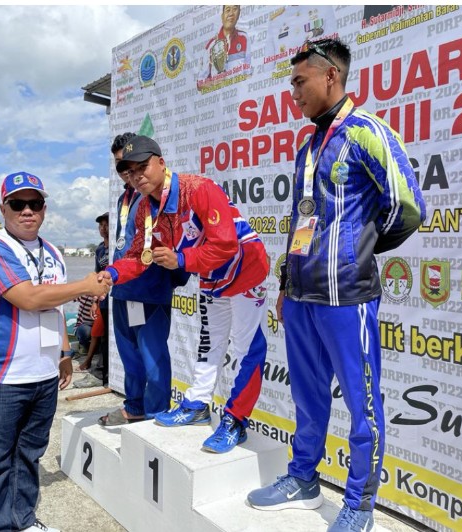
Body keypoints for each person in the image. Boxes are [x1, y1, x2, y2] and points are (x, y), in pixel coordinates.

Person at [246, 38, 426, 532]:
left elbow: (408, 208)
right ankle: (302, 478)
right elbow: (302, 219)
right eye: (290, 84)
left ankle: (358, 505)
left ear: (331, 76)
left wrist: (355, 254)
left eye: (300, 82)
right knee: (307, 398)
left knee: (363, 406)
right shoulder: (309, 145)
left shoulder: (368, 132)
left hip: (348, 299)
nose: (294, 93)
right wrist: (287, 283)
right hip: (303, 299)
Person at [98, 135, 270, 454]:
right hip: (211, 274)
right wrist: (111, 274)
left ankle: (235, 420)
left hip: (246, 269)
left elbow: (227, 244)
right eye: (129, 171)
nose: (137, 176)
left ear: (161, 163)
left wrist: (181, 260)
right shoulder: (144, 211)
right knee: (210, 343)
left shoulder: (200, 189)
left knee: (247, 347)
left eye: (143, 167)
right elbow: (139, 256)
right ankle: (196, 405)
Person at [0, 171, 109, 532]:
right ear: (4, 208)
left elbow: (55, 307)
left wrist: (64, 353)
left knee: (29, 455)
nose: (27, 211)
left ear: (44, 208)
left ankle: (23, 521)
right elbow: (28, 298)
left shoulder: (53, 253)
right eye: (18, 203)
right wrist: (86, 285)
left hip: (44, 375)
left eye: (35, 203)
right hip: (0, 378)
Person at [94, 132, 188, 426]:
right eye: (122, 167)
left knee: (153, 357)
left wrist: (176, 273)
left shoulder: (158, 194)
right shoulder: (125, 197)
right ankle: (135, 406)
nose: (128, 172)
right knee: (130, 356)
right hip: (123, 289)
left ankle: (157, 413)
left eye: (133, 164)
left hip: (149, 291)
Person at [73, 211, 110, 389]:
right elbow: (96, 276)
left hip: (118, 298)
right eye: (101, 225)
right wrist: (95, 301)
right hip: (103, 298)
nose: (103, 228)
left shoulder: (118, 247)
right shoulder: (100, 250)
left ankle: (107, 373)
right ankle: (100, 372)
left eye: (107, 224)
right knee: (101, 334)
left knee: (113, 337)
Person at [197, 5, 252, 90]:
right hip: (220, 101)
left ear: (238, 14)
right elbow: (200, 83)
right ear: (222, 16)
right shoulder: (211, 45)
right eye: (228, 10)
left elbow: (248, 72)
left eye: (234, 9)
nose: (231, 13)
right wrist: (213, 83)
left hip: (240, 97)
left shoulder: (244, 38)